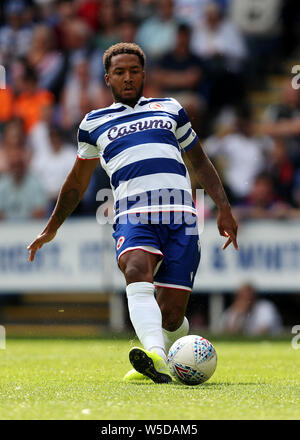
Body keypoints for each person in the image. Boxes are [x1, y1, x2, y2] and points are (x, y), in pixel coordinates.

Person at [27, 42, 238, 384]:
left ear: (144, 75)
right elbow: (76, 182)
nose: (128, 78)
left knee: (171, 315)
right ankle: (154, 353)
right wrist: (52, 227)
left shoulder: (170, 108)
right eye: (120, 72)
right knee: (136, 268)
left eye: (134, 71)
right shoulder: (93, 123)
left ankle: (164, 348)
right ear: (108, 78)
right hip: (133, 213)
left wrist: (225, 209)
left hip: (181, 215)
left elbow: (200, 160)